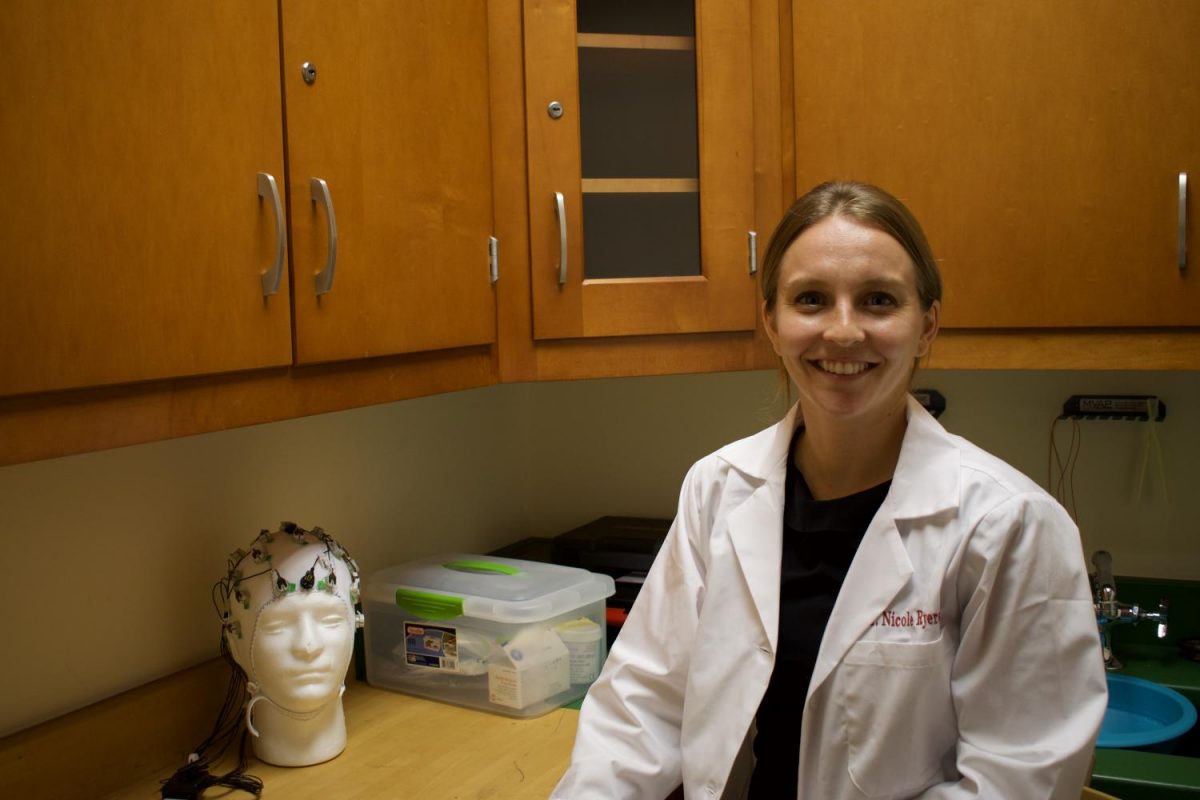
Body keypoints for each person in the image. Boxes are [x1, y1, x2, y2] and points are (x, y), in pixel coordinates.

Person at [550, 181, 1107, 799]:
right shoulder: (718, 488)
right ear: (771, 321)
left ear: (927, 325)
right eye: (811, 299)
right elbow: (641, 707)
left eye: (878, 301)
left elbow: (1017, 781)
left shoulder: (1010, 525)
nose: (843, 332)